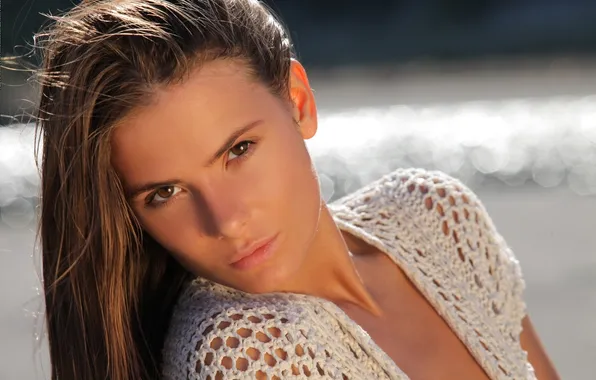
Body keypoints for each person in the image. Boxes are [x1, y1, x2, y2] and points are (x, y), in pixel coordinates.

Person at [35, 0, 561, 379]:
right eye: (165, 192)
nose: (225, 220)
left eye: (238, 151)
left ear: (298, 103)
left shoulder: (436, 218)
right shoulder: (243, 354)